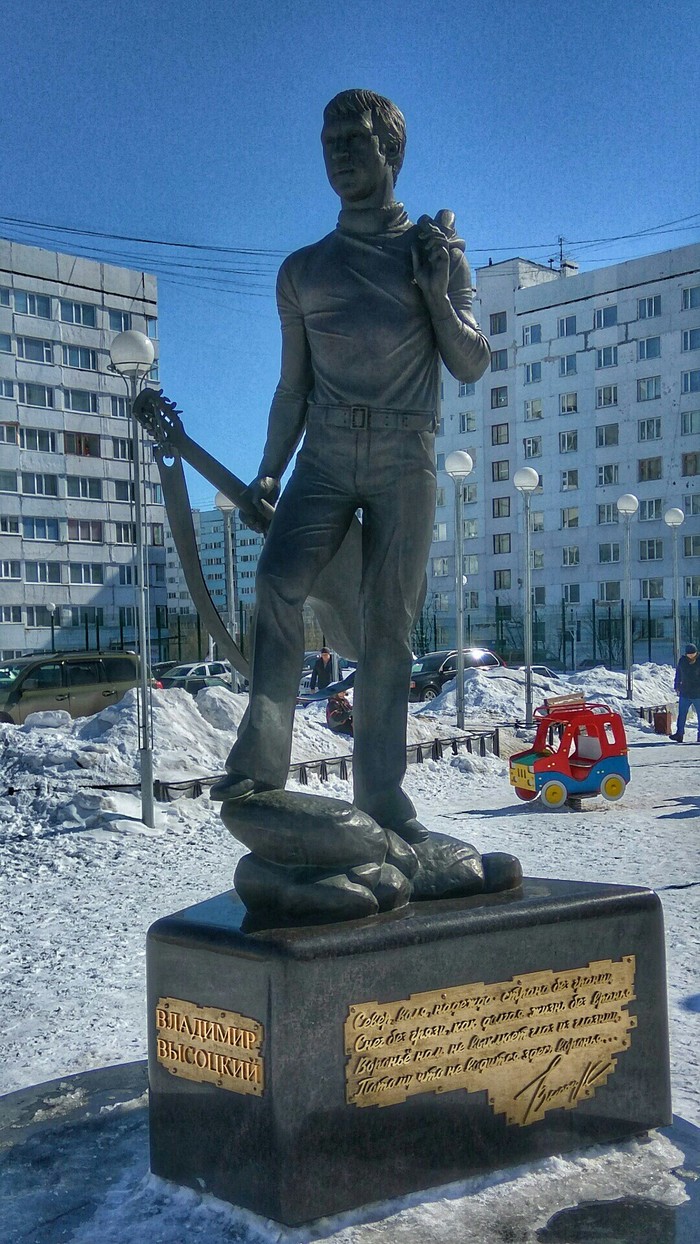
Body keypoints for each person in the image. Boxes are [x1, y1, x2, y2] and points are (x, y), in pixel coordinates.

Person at [210, 89, 490, 841]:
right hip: (326, 454)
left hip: (407, 455)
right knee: (276, 581)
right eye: (328, 139)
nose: (337, 151)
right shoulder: (302, 271)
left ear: (390, 152)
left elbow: (471, 361)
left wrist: (437, 293)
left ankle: (383, 793)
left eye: (353, 139)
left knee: (388, 629)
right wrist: (269, 470)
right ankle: (261, 761)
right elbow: (291, 386)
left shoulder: (435, 252)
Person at [671, 643, 700, 742]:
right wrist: (677, 685)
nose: (691, 656)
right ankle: (679, 734)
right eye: (689, 654)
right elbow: (678, 673)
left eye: (693, 653)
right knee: (682, 714)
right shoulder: (682, 661)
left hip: (698, 693)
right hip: (685, 692)